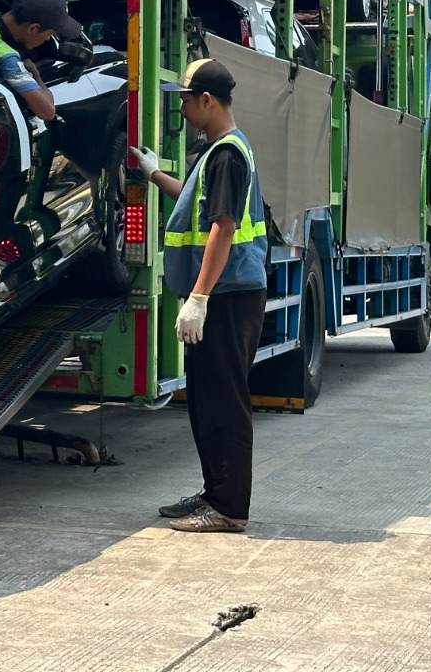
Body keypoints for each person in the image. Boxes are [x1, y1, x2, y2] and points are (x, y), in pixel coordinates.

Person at [133, 58, 269, 534]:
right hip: (225, 294)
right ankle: (215, 491)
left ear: (207, 101)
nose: (184, 110)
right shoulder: (217, 152)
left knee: (225, 403)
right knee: (207, 402)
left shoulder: (228, 155)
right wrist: (153, 174)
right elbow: (196, 205)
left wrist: (199, 297)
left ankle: (230, 509)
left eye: (187, 101)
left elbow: (223, 228)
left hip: (228, 297)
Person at [0, 0, 82, 121]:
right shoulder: (7, 58)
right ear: (33, 28)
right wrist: (36, 75)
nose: (48, 39)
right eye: (50, 34)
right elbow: (48, 112)